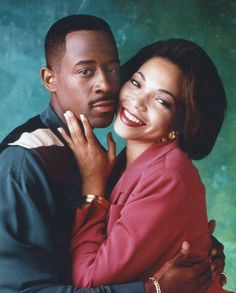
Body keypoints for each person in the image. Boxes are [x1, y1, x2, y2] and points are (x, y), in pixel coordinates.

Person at [0, 15, 224, 293]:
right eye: (85, 71)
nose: (105, 85)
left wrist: (196, 247)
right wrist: (153, 288)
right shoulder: (23, 163)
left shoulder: (105, 157)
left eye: (112, 69)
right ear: (50, 79)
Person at [60, 38, 231, 292]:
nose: (137, 101)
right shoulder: (127, 162)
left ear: (179, 124)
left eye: (161, 101)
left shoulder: (168, 176)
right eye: (136, 83)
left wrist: (92, 189)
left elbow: (89, 281)